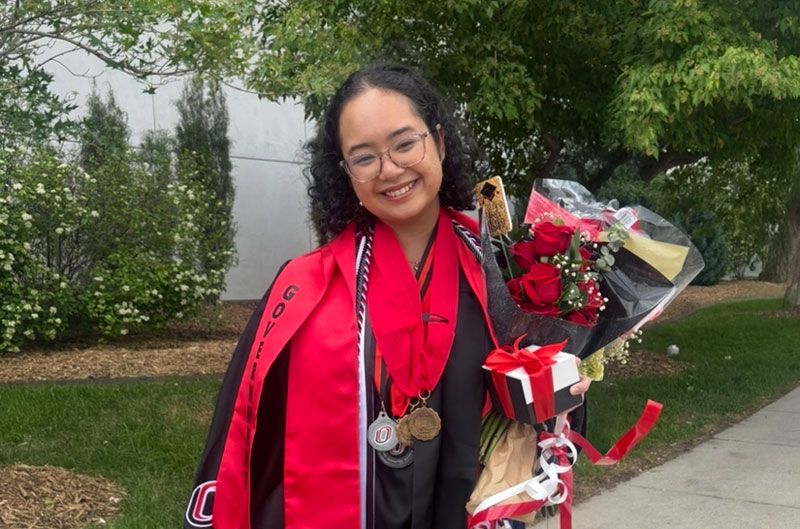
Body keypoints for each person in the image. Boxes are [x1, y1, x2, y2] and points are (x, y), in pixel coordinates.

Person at [185, 64, 591, 529]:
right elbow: (248, 435)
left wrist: (562, 388)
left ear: (437, 140)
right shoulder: (303, 289)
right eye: (364, 157)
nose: (390, 169)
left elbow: (541, 419)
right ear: (345, 172)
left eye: (404, 143)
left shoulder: (504, 275)